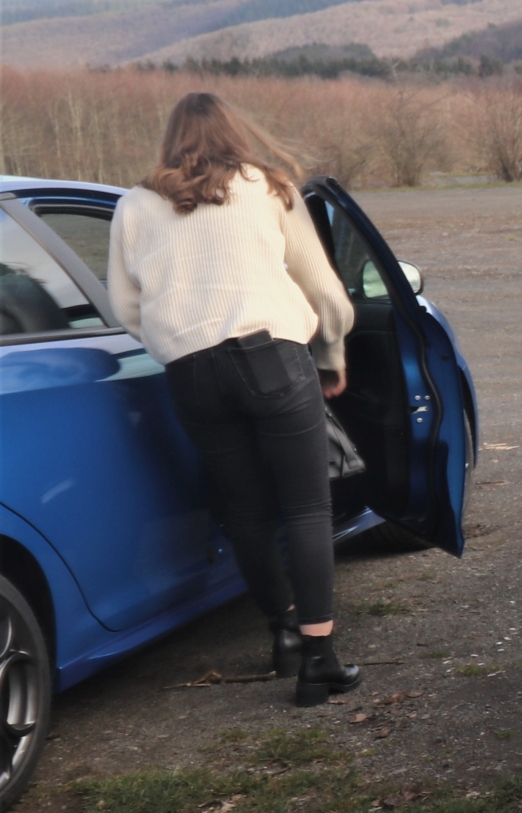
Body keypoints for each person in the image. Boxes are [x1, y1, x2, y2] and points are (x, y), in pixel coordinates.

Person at [106, 93, 362, 707]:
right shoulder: (269, 187)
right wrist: (331, 357)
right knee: (305, 508)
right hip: (270, 356)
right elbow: (326, 293)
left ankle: (283, 633)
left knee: (244, 511)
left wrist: (182, 342)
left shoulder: (135, 205)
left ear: (170, 140)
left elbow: (127, 307)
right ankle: (319, 657)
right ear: (234, 133)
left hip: (190, 372)